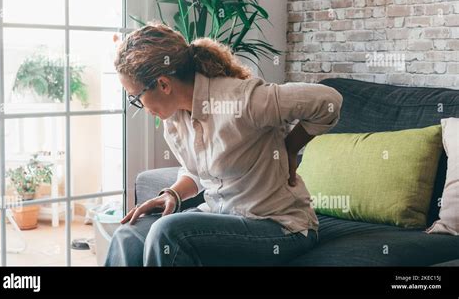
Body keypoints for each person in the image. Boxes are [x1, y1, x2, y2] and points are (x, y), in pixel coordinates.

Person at [105, 20, 343, 266]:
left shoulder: (242, 101)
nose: (140, 106)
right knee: (129, 235)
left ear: (164, 84)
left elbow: (328, 101)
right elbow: (197, 169)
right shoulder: (175, 117)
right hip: (221, 216)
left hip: (278, 226)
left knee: (168, 233)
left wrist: (291, 148)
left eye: (136, 97)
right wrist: (174, 194)